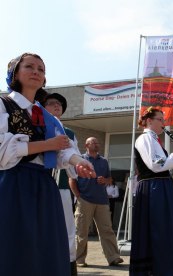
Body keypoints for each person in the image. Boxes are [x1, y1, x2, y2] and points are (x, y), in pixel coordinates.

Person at [0, 53, 96, 276]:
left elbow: (63, 148)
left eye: (41, 69)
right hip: (13, 182)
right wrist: (45, 144)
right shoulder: (4, 105)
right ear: (15, 72)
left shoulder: (47, 117)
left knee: (44, 247)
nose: (36, 72)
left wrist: (79, 161)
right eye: (30, 67)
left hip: (44, 185)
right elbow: (2, 150)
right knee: (14, 245)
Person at [130, 107, 173, 275]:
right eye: (160, 119)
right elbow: (156, 166)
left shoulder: (154, 139)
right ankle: (157, 269)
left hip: (160, 186)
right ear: (149, 121)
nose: (163, 123)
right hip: (153, 189)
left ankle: (166, 268)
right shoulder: (144, 139)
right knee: (158, 230)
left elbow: (163, 165)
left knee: (165, 230)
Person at [42, 92, 80, 275]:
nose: (56, 106)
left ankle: (68, 266)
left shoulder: (70, 133)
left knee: (67, 230)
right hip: (38, 186)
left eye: (59, 104)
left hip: (62, 189)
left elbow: (74, 169)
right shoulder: (37, 128)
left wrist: (78, 165)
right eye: (51, 103)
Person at [75, 137, 124, 267]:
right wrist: (78, 196)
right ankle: (79, 259)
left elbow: (110, 179)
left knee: (107, 230)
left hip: (102, 201)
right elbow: (72, 180)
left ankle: (113, 257)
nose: (97, 144)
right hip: (85, 200)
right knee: (82, 231)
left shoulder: (104, 161)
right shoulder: (79, 160)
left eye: (98, 142)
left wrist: (105, 181)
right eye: (94, 142)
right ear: (86, 145)